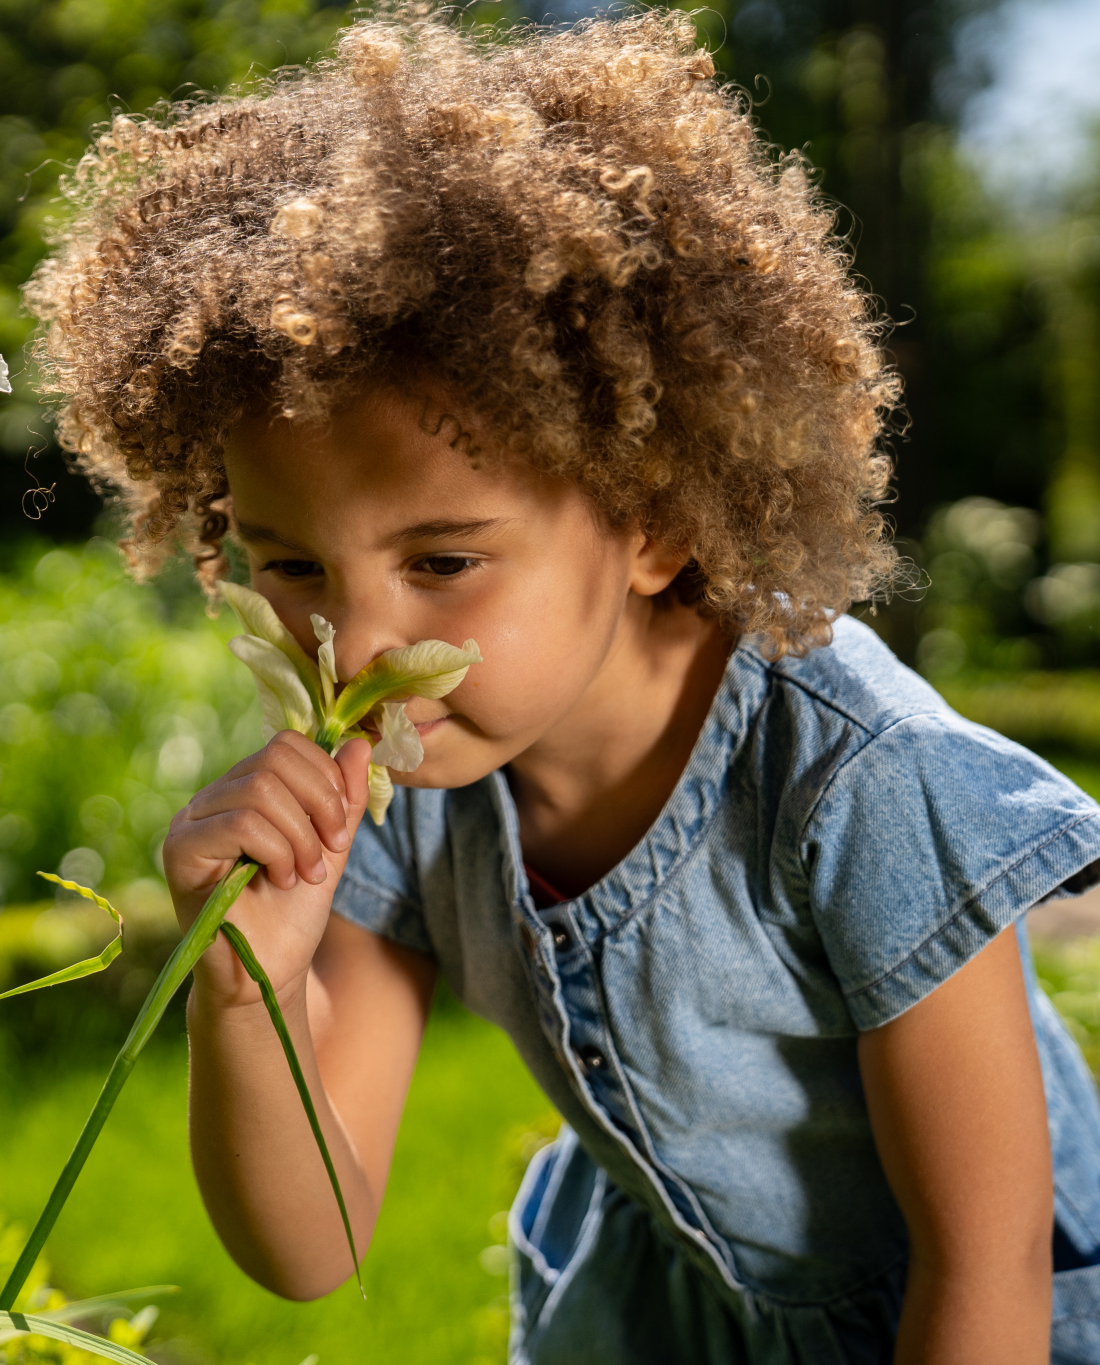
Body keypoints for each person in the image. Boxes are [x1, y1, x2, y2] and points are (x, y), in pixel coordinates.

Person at [23, 9, 1100, 1361]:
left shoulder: (859, 782)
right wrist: (248, 989)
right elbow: (311, 1245)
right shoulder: (404, 795)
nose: (352, 651)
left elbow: (983, 1265)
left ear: (652, 525)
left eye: (445, 559)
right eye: (290, 563)